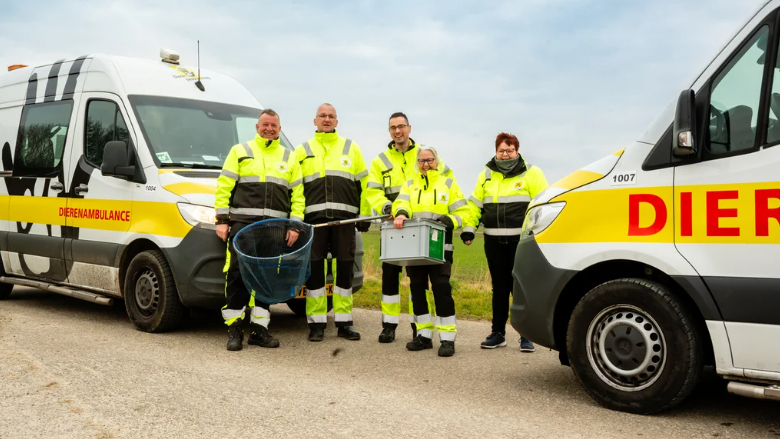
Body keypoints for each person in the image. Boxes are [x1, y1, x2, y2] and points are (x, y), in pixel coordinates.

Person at [215, 109, 305, 351]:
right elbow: (224, 187)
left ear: (279, 128)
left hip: (274, 228)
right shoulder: (240, 152)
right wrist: (222, 220)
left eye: (274, 125)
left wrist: (295, 225)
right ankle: (234, 329)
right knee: (237, 275)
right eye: (265, 124)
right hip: (243, 226)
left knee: (267, 279)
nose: (269, 128)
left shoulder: (289, 157)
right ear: (257, 127)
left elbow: (298, 195)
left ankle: (259, 330)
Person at [364, 112, 454, 343]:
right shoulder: (380, 160)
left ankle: (419, 327)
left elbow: (443, 182)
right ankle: (389, 325)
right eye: (393, 127)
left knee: (418, 280)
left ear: (409, 128)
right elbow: (372, 191)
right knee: (390, 276)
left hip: (422, 229)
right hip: (393, 226)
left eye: (401, 126)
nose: (397, 131)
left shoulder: (424, 154)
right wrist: (388, 208)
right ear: (389, 131)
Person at [463, 133, 548, 352]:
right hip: (493, 241)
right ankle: (497, 333)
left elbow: (543, 205)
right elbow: (475, 206)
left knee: (519, 288)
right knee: (499, 288)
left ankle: (526, 336)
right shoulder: (486, 175)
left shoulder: (532, 173)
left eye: (509, 150)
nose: (505, 153)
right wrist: (469, 229)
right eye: (501, 150)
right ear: (496, 152)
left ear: (517, 151)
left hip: (521, 243)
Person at [295, 103, 368, 342]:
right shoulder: (302, 151)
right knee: (314, 275)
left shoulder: (351, 148)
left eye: (331, 116)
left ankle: (344, 323)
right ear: (314, 121)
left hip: (345, 222)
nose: (327, 119)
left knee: (344, 273)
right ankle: (316, 325)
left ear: (337, 121)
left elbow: (364, 186)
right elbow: (294, 189)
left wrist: (364, 215)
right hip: (313, 224)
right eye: (322, 116)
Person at [392, 145, 471, 357]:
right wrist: (400, 213)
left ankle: (447, 339)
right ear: (417, 163)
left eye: (429, 160)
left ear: (437, 161)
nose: (425, 164)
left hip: (440, 248)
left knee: (441, 289)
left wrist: (449, 220)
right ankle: (424, 336)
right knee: (417, 290)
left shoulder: (448, 183)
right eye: (422, 161)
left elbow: (464, 212)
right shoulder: (410, 184)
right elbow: (401, 202)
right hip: (415, 249)